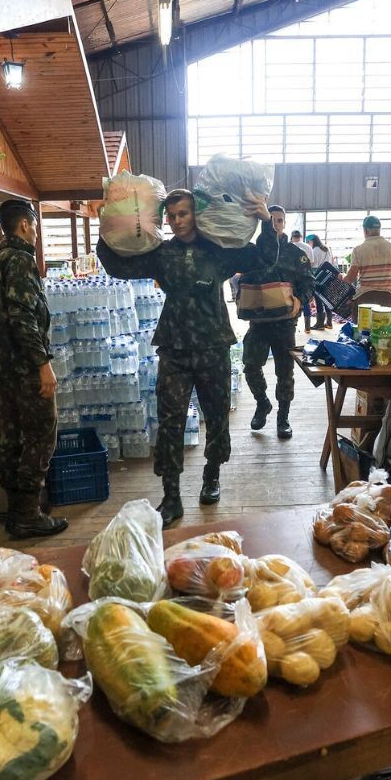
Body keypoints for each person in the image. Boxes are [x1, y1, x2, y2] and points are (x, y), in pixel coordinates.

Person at [97, 189, 278, 527]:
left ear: (196, 214)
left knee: (217, 417)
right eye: (172, 215)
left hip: (213, 347)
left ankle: (212, 476)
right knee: (170, 422)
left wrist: (267, 222)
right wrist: (106, 227)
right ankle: (171, 495)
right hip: (175, 349)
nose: (177, 221)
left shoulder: (218, 251)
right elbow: (119, 266)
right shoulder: (161, 254)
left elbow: (263, 259)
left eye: (183, 214)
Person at [0, 200, 68, 539]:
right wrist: (43, 366)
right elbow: (23, 318)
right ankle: (28, 514)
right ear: (24, 226)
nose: (36, 233)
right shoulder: (19, 262)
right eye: (35, 226)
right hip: (24, 369)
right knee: (40, 435)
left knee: (12, 437)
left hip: (3, 369)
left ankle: (17, 513)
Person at [237, 206, 314, 440]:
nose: (276, 224)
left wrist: (300, 300)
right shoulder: (253, 252)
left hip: (284, 323)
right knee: (250, 365)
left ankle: (283, 418)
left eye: (280, 220)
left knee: (285, 371)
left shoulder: (294, 253)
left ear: (285, 223)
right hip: (258, 322)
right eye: (271, 220)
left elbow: (308, 282)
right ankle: (263, 403)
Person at [345, 216, 391, 306]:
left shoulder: (358, 250)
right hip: (388, 299)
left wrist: (342, 276)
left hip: (365, 300)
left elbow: (350, 278)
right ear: (379, 229)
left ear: (365, 231)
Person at [307, 234, 334, 329]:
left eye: (308, 242)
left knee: (318, 300)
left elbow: (313, 265)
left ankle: (320, 324)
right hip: (329, 276)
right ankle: (329, 323)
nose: (308, 244)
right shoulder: (326, 249)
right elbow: (331, 263)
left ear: (312, 241)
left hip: (319, 277)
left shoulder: (314, 250)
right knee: (327, 300)